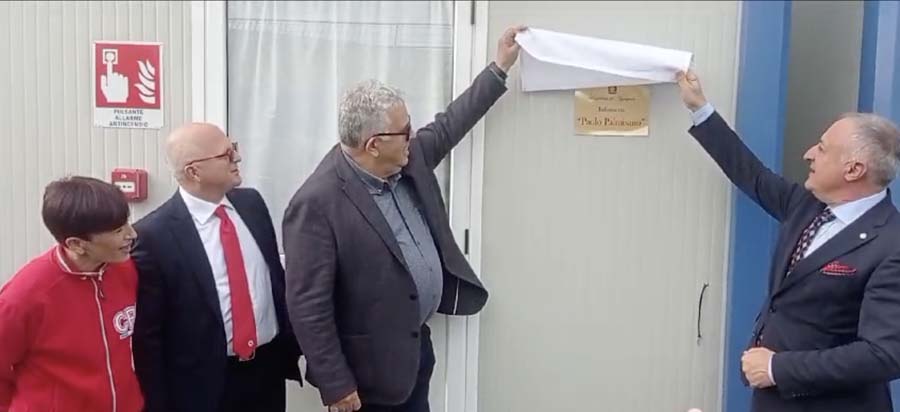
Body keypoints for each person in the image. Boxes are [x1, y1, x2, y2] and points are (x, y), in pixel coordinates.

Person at [282, 25, 526, 412]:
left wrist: (499, 67)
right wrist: (336, 384)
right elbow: (308, 306)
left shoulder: (409, 160)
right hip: (366, 378)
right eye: (405, 130)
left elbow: (449, 125)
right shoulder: (317, 204)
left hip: (413, 353)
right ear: (374, 145)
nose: (413, 135)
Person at [677, 69, 900, 411]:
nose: (809, 153)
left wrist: (776, 368)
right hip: (774, 399)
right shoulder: (806, 205)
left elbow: (883, 355)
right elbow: (752, 175)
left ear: (854, 170)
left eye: (822, 149)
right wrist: (700, 108)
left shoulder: (891, 244)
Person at [131, 123, 301, 412]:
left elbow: (275, 279)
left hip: (266, 372)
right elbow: (149, 337)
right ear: (194, 172)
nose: (237, 158)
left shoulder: (251, 205)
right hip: (204, 386)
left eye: (234, 148)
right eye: (226, 154)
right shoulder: (153, 236)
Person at [0, 176, 143, 412]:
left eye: (127, 223)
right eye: (118, 230)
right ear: (77, 244)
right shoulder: (23, 298)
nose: (132, 234)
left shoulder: (125, 269)